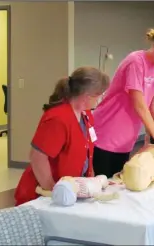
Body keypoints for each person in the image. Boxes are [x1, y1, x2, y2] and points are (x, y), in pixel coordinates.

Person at [92, 28, 154, 178]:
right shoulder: (136, 61)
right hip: (106, 133)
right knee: (103, 183)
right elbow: (139, 104)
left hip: (126, 138)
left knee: (118, 183)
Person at [14, 67, 109, 206]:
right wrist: (53, 190)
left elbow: (87, 152)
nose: (101, 99)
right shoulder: (58, 118)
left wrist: (91, 183)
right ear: (87, 96)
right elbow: (37, 157)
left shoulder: (86, 114)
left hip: (69, 190)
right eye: (100, 95)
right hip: (42, 194)